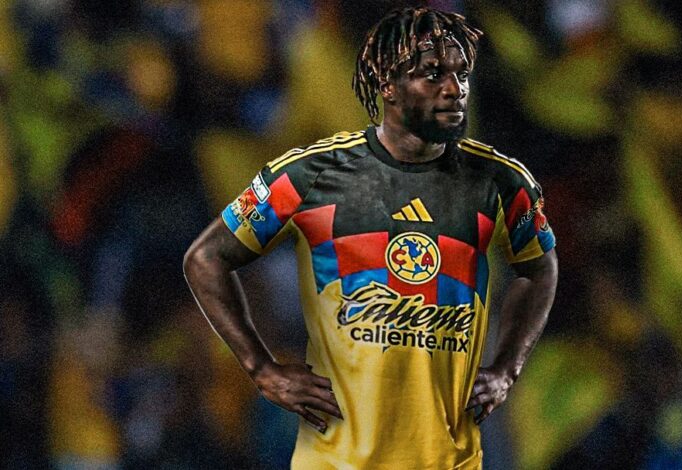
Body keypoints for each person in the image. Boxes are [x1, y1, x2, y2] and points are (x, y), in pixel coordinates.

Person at [183, 7, 558, 469]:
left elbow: (541, 266)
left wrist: (506, 369)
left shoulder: (489, 173)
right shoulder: (308, 159)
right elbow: (208, 257)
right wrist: (260, 366)